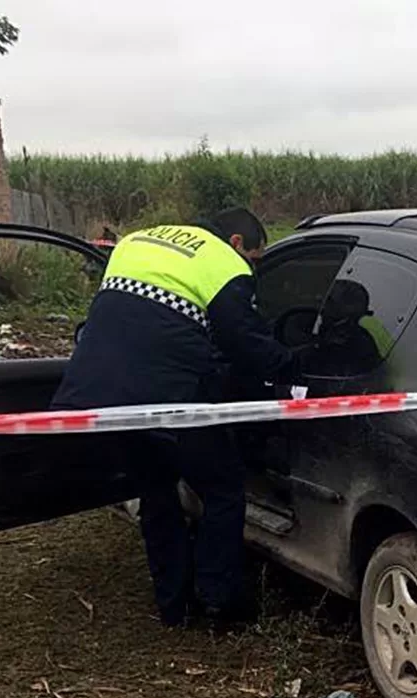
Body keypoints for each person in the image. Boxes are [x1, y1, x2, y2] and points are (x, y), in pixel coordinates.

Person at [51, 208, 300, 629]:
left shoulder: (135, 241)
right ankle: (220, 603)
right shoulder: (224, 263)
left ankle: (173, 604)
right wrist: (292, 364)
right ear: (237, 243)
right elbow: (242, 340)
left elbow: (133, 318)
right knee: (222, 490)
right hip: (170, 396)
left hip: (103, 396)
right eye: (256, 259)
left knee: (156, 493)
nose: (253, 269)